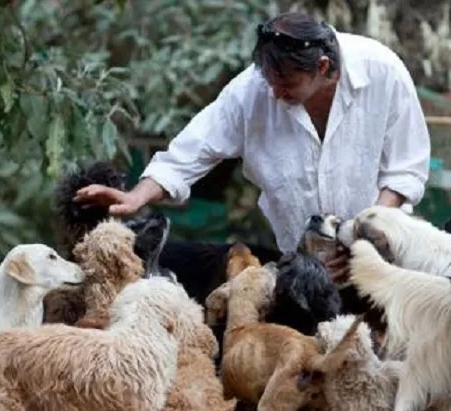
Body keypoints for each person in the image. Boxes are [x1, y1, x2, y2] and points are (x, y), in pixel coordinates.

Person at [74, 12, 431, 282]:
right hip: (301, 266)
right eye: (269, 82)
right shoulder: (252, 90)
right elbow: (191, 151)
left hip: (382, 262)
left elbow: (405, 172)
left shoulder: (383, 73)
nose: (274, 93)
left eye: (286, 84)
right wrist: (136, 197)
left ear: (322, 67)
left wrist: (363, 244)